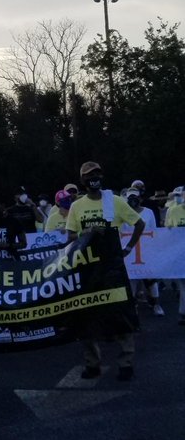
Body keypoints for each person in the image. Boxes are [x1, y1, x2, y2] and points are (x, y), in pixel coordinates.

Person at [66, 161, 145, 381]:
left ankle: (126, 363)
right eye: (90, 175)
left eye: (97, 174)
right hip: (88, 269)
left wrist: (128, 248)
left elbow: (139, 224)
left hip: (112, 269)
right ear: (83, 180)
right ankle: (92, 364)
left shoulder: (115, 201)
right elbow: (70, 236)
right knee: (86, 317)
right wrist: (88, 231)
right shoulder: (77, 206)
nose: (94, 178)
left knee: (121, 315)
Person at [124, 188, 164, 316]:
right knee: (132, 279)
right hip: (131, 251)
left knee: (151, 278)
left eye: (135, 197)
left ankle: (156, 304)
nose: (133, 201)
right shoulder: (125, 214)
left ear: (140, 198)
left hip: (147, 249)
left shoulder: (148, 212)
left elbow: (154, 230)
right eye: (130, 198)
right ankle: (133, 306)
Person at [165, 186, 185, 325]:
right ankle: (183, 313)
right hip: (180, 253)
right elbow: (168, 232)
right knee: (183, 285)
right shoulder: (173, 210)